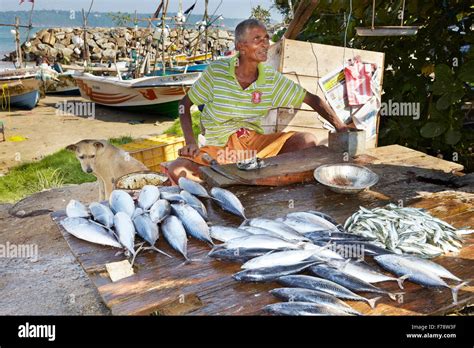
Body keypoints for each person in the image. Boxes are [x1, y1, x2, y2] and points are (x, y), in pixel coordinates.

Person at [167, 19, 354, 183]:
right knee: (177, 169)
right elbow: (184, 105)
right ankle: (253, 177)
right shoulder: (217, 72)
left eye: (266, 38)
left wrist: (341, 127)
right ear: (241, 46)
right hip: (219, 149)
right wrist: (190, 141)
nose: (265, 44)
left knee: (306, 140)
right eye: (258, 39)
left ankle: (249, 177)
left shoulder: (271, 80)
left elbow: (312, 99)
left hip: (254, 148)